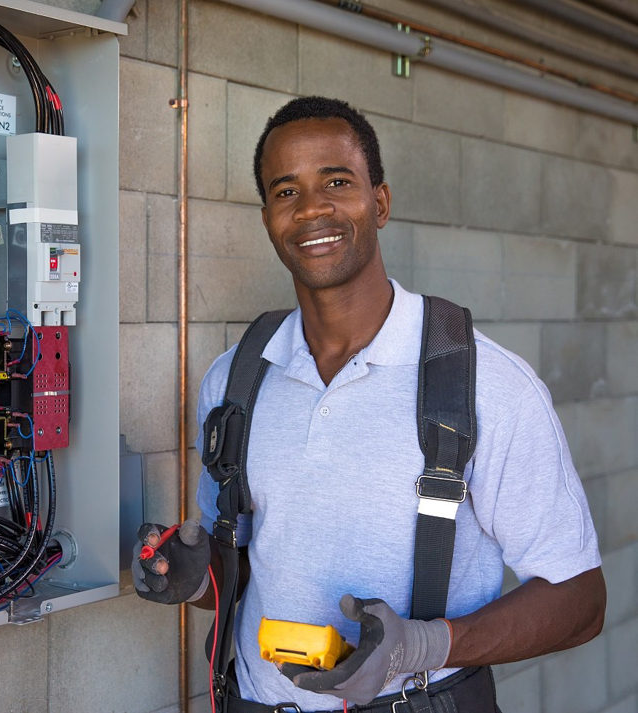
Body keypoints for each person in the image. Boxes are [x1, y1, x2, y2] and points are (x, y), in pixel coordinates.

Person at [133, 96, 606, 712]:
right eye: (286, 191)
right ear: (267, 217)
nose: (312, 210)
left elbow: (581, 600)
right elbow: (252, 569)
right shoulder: (235, 380)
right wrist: (196, 580)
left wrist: (424, 646)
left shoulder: (486, 385)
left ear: (379, 202)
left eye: (337, 181)